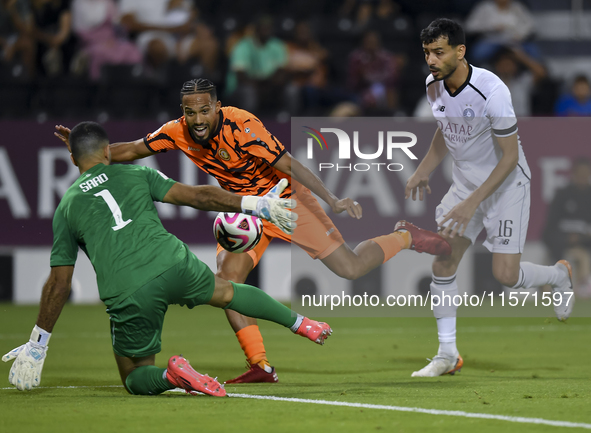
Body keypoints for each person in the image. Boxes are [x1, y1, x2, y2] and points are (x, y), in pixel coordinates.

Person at [54, 78, 451, 384]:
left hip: (286, 201)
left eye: (204, 111)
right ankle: (260, 364)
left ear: (217, 107)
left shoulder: (244, 126)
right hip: (245, 213)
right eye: (190, 112)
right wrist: (87, 149)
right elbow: (130, 151)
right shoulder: (175, 131)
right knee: (227, 283)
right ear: (183, 111)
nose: (197, 120)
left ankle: (406, 237)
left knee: (349, 268)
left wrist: (331, 199)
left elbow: (290, 165)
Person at [2, 121, 333, 395]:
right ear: (108, 152)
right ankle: (301, 323)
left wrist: (38, 343)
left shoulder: (67, 207)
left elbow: (59, 284)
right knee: (227, 292)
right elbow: (199, 196)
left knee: (134, 376)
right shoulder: (137, 175)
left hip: (128, 289)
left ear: (73, 160)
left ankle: (173, 376)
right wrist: (255, 205)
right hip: (174, 262)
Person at [405, 18, 574, 378]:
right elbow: (445, 130)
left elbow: (510, 157)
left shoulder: (492, 91)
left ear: (460, 51)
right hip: (467, 186)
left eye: (439, 52)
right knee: (443, 259)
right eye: (427, 53)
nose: (431, 61)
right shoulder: (432, 85)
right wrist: (425, 168)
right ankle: (447, 353)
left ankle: (559, 275)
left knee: (506, 276)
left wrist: (472, 203)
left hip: (506, 185)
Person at [543, 158, 591, 298]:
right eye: (580, 173)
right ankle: (551, 289)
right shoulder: (562, 194)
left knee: (583, 256)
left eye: (585, 173)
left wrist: (581, 237)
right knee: (554, 245)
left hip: (584, 242)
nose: (582, 176)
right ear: (573, 173)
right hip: (561, 242)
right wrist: (567, 238)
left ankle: (583, 290)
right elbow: (550, 226)